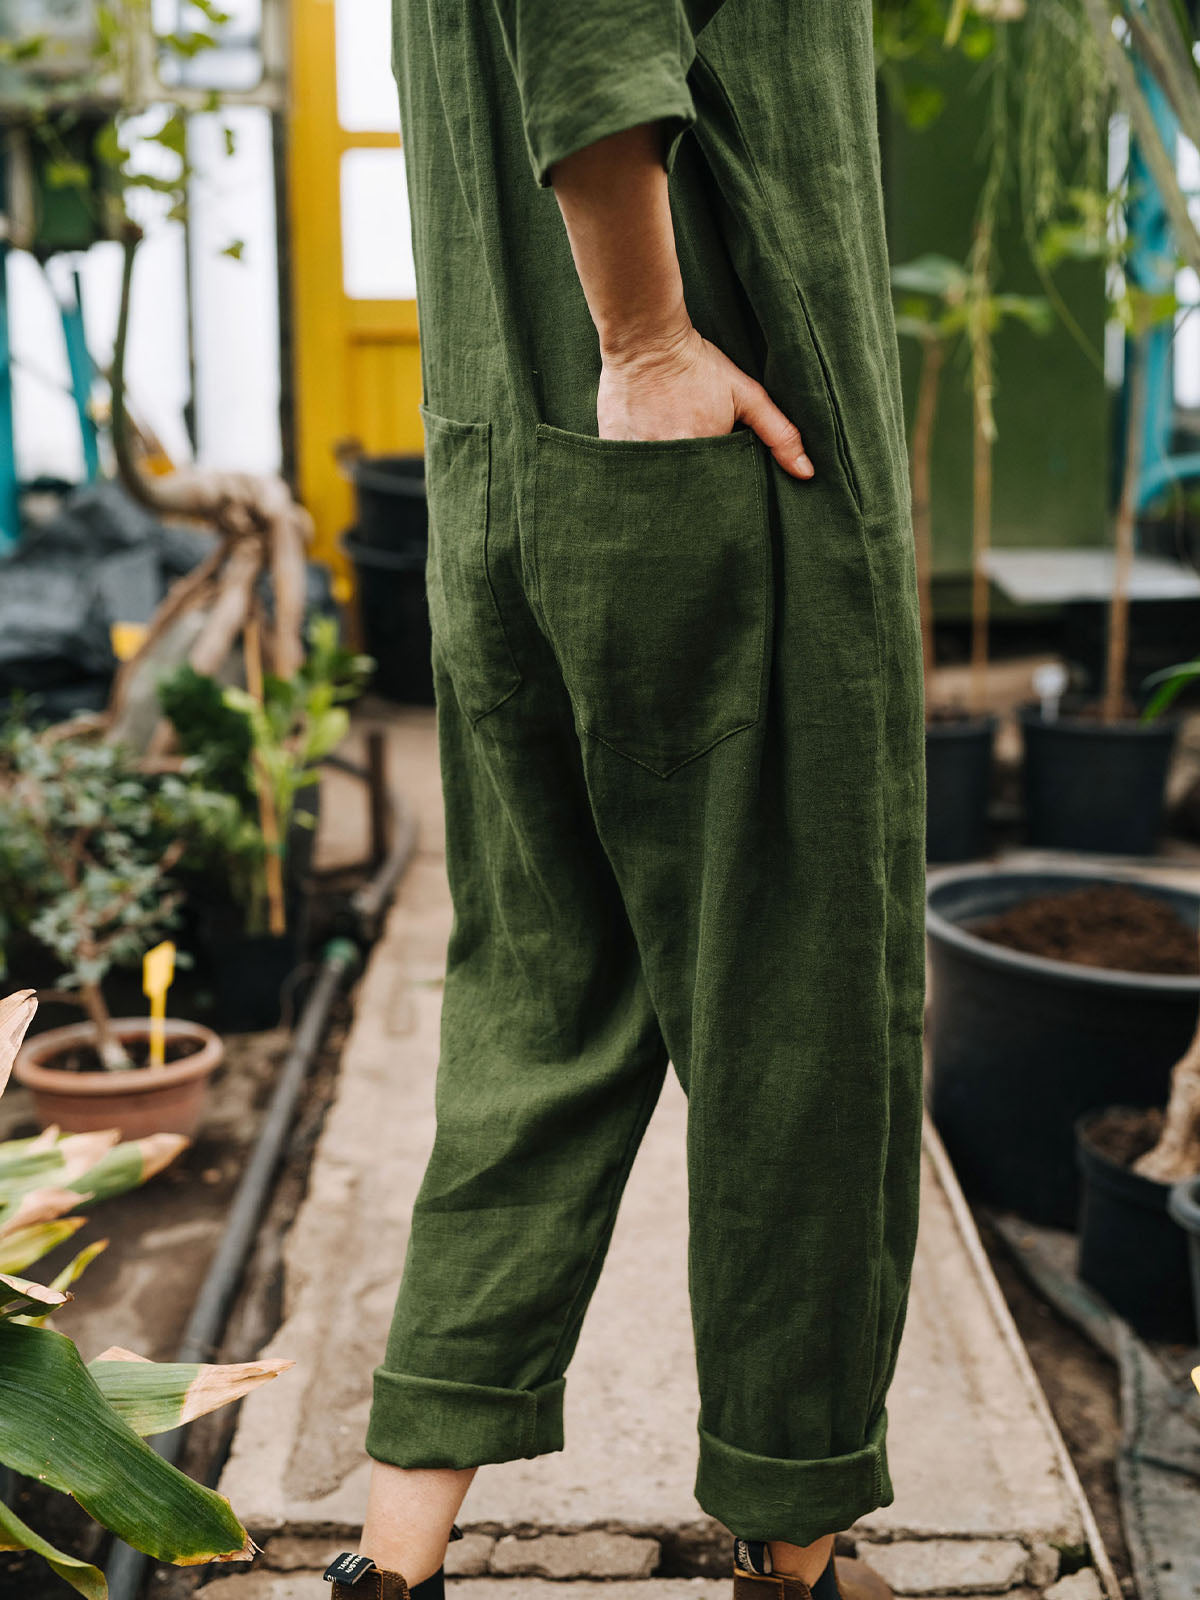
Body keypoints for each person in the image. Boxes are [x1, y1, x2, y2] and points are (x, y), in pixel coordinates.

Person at [324, 3, 925, 1597]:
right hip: (716, 470)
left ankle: (391, 1563)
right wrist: (650, 339)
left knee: (541, 1004)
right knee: (800, 1016)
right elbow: (595, 34)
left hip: (506, 458)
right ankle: (799, 1555)